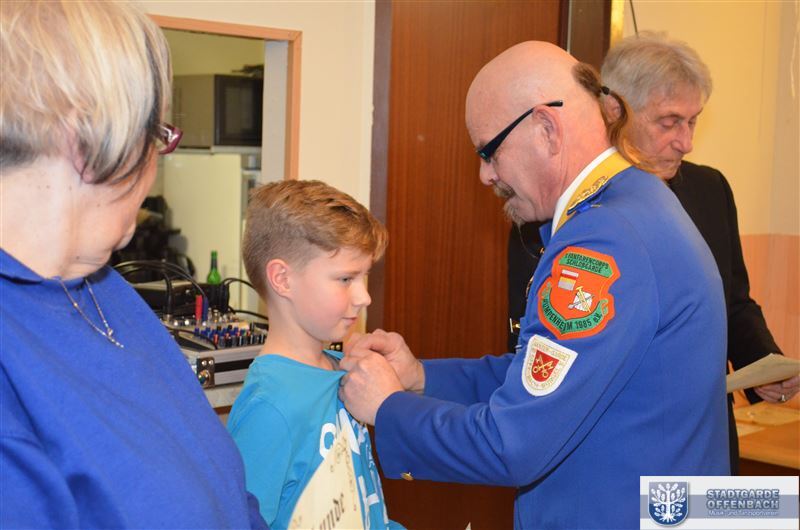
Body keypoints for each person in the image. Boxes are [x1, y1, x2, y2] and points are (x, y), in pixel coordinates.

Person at [339, 41, 730, 529]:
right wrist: (420, 377)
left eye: (489, 151)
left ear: (547, 128)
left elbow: (513, 444)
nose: (485, 175)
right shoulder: (637, 201)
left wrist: (388, 408)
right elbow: (547, 373)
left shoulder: (604, 240)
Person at [0, 2, 266, 527]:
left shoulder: (104, 286)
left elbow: (223, 489)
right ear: (85, 137)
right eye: (157, 136)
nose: (155, 166)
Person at [508, 32, 800, 474]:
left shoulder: (710, 189)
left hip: (704, 449)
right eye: (669, 122)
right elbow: (534, 344)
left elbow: (734, 304)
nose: (686, 142)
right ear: (614, 111)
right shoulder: (553, 206)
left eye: (693, 121)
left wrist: (765, 366)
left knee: (769, 508)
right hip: (614, 459)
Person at [227, 180, 402, 529]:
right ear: (282, 279)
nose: (364, 297)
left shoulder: (344, 375)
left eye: (364, 277)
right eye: (346, 279)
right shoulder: (270, 409)